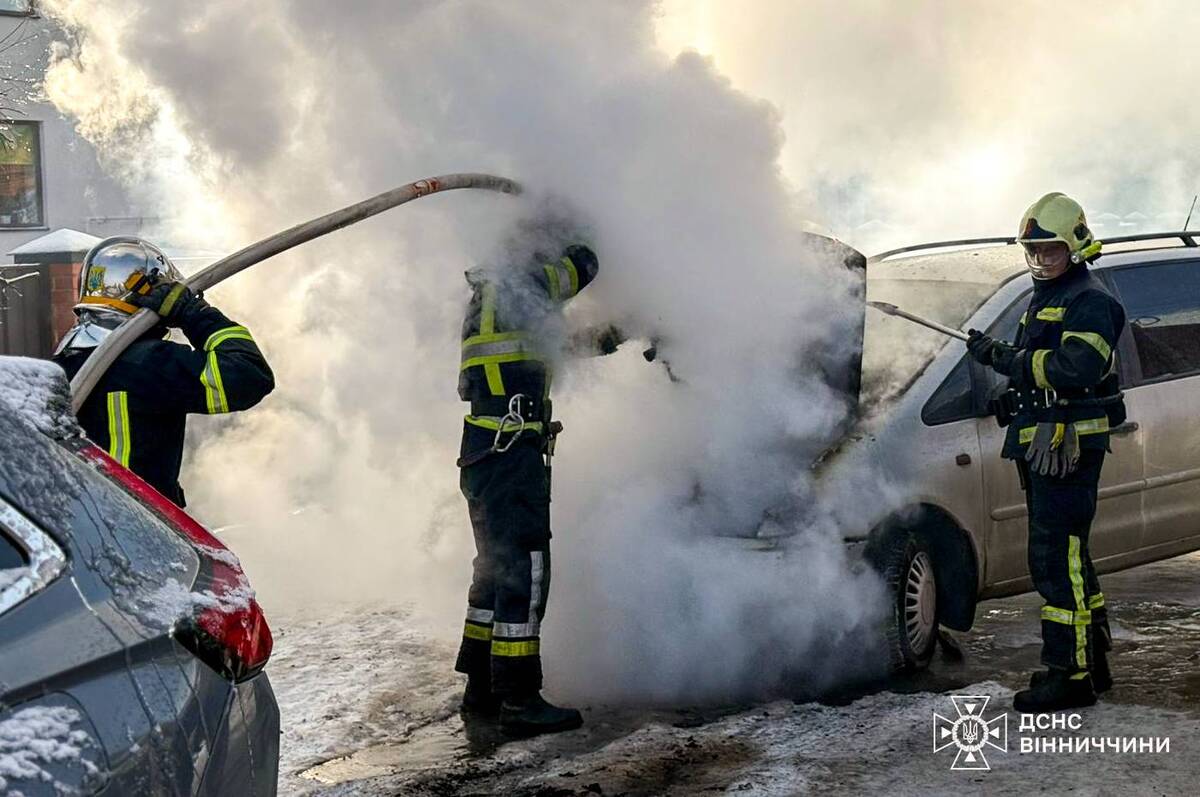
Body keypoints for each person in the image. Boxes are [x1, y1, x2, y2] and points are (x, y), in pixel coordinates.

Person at [453, 226, 622, 736]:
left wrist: (617, 337)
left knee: (495, 567)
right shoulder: (519, 282)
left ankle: (481, 685)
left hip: (486, 451)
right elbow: (583, 266)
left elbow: (548, 347)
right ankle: (519, 698)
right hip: (510, 451)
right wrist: (581, 235)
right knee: (525, 569)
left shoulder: (489, 298)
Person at [967, 192, 1126, 712]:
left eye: (1050, 251)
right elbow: (1042, 372)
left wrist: (1010, 360)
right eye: (1031, 251)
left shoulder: (1090, 300)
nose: (1039, 261)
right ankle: (1091, 661)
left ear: (1076, 245)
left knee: (1056, 562)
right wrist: (1008, 386)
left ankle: (1070, 675)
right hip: (1045, 441)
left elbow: (1074, 369)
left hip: (1069, 447)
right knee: (1073, 559)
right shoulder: (1048, 295)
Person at [54, 236, 274, 507]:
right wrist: (193, 313)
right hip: (140, 528)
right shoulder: (149, 364)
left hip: (84, 525)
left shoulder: (61, 365)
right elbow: (248, 375)